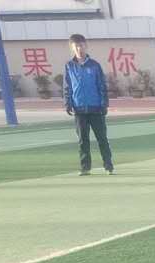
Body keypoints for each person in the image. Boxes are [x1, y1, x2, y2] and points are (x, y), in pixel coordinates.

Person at [62, 34, 113, 176]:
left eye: (81, 45)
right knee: (83, 140)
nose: (79, 48)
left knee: (102, 138)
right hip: (79, 109)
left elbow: (101, 85)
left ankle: (108, 165)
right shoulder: (69, 66)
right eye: (76, 46)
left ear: (86, 46)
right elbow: (67, 87)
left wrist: (104, 104)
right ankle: (85, 167)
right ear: (72, 48)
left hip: (96, 108)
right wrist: (68, 103)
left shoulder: (95, 65)